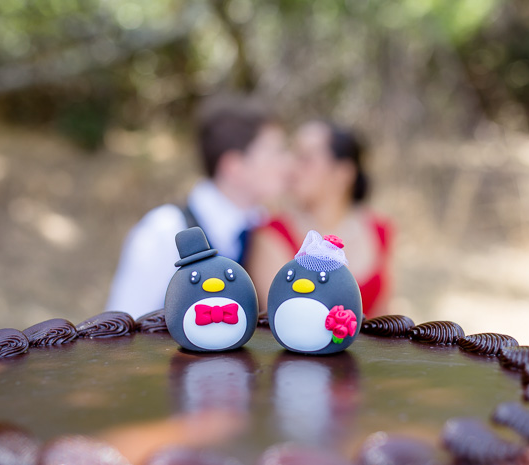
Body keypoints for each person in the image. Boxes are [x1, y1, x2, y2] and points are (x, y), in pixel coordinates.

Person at [105, 96, 290, 318]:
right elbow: (124, 325)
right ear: (234, 166)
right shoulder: (165, 231)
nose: (287, 163)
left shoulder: (262, 227)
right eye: (275, 152)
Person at [246, 120, 393, 317]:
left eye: (305, 158)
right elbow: (283, 318)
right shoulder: (271, 233)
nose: (291, 166)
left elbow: (386, 318)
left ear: (342, 173)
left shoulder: (380, 230)